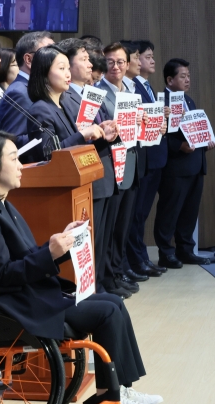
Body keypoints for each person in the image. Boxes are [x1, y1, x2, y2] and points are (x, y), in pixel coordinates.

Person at [0, 129, 163, 404]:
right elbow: (3, 273)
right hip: (9, 302)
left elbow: (25, 257)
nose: (20, 165)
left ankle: (120, 391)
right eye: (14, 159)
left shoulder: (1, 204)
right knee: (106, 310)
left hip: (24, 292)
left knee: (112, 302)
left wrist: (61, 245)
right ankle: (112, 396)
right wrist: (50, 254)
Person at [56, 38, 131, 302]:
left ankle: (101, 285)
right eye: (84, 59)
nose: (90, 64)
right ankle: (94, 289)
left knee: (103, 238)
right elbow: (74, 138)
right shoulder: (65, 99)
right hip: (87, 175)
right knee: (92, 241)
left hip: (103, 171)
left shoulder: (88, 93)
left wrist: (108, 130)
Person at [154, 58, 214, 267]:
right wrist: (179, 146)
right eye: (183, 76)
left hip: (196, 164)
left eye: (188, 76)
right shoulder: (161, 102)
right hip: (176, 167)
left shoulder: (188, 101)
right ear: (170, 79)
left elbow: (195, 128)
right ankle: (166, 252)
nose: (187, 80)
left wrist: (206, 140)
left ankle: (186, 250)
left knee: (190, 212)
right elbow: (159, 136)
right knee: (170, 211)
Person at [95, 42, 141, 298]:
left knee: (122, 226)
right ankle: (106, 280)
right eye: (111, 62)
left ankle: (115, 273)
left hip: (130, 163)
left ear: (127, 63)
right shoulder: (97, 92)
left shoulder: (131, 91)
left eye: (121, 62)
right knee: (109, 229)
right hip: (111, 165)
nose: (116, 66)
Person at [126, 40, 169, 277]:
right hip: (143, 157)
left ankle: (141, 257)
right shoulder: (132, 87)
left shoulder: (147, 86)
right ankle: (136, 259)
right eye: (147, 56)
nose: (152, 60)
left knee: (141, 214)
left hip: (154, 157)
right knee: (136, 214)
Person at [24, 45, 107, 163]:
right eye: (62, 68)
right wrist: (82, 134)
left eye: (68, 68)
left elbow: (77, 147)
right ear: (44, 72)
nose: (68, 74)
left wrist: (103, 136)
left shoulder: (63, 105)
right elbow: (48, 154)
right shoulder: (40, 109)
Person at [0, 31, 53, 149]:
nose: (55, 58)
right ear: (29, 60)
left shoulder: (37, 87)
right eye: (48, 53)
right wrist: (55, 134)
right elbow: (12, 140)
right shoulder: (19, 92)